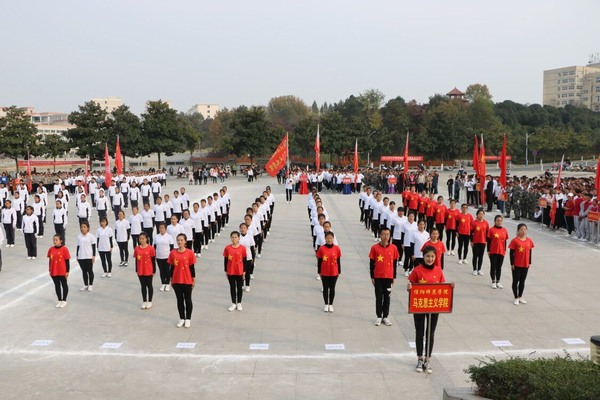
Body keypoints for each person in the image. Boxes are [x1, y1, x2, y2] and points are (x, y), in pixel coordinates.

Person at [407, 246, 451, 374]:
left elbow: (443, 287)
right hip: (420, 306)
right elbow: (411, 286)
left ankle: (428, 359)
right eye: (427, 256)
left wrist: (450, 287)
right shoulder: (417, 270)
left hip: (433, 306)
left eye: (432, 256)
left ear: (435, 257)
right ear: (423, 257)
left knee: (430, 333)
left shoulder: (438, 270)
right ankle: (420, 359)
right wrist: (409, 287)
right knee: (419, 332)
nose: (430, 259)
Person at [369, 227, 399, 326]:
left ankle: (385, 316)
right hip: (378, 277)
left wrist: (394, 277)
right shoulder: (374, 248)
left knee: (387, 297)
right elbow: (371, 263)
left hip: (389, 277)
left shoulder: (394, 248)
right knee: (378, 297)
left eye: (387, 234)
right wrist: (372, 277)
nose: (386, 236)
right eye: (383, 234)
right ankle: (379, 316)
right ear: (380, 235)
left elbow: (394, 264)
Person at [168, 233, 196, 328]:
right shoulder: (173, 253)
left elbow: (192, 267)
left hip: (187, 280)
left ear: (185, 241)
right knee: (179, 300)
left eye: (181, 240)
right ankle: (181, 318)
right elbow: (172, 267)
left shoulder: (190, 253)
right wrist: (171, 279)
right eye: (178, 240)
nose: (179, 242)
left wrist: (193, 279)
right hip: (176, 280)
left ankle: (188, 318)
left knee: (188, 300)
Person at [509, 223, 535, 305]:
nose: (523, 231)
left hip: (525, 264)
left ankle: (520, 296)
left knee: (522, 281)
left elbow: (530, 252)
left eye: (525, 229)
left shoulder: (529, 240)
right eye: (521, 229)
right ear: (518, 231)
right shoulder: (515, 240)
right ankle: (516, 297)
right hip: (517, 264)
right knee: (515, 281)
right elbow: (511, 253)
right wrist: (512, 264)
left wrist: (529, 262)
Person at [316, 231, 341, 312]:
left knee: (332, 289)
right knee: (325, 288)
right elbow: (319, 261)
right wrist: (319, 272)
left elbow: (338, 260)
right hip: (324, 272)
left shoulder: (337, 248)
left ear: (333, 239)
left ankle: (331, 304)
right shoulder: (321, 249)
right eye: (327, 238)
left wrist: (339, 271)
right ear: (325, 239)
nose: (329, 240)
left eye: (331, 238)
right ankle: (326, 304)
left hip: (334, 272)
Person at [223, 231, 247, 312]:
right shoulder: (227, 248)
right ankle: (233, 303)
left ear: (239, 238)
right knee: (232, 287)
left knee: (239, 287)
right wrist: (226, 270)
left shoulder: (242, 248)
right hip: (231, 271)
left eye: (235, 237)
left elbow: (244, 260)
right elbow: (226, 259)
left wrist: (244, 270)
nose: (234, 239)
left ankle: (239, 302)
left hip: (239, 271)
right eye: (232, 237)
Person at [48, 234, 71, 308]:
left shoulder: (64, 249)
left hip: (62, 270)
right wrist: (50, 270)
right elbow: (50, 260)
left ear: (61, 241)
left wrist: (67, 271)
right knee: (57, 285)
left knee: (64, 285)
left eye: (56, 240)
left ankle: (64, 300)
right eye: (54, 240)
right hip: (54, 270)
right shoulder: (51, 249)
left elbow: (67, 261)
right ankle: (59, 300)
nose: (55, 241)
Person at [134, 232, 156, 310]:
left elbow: (153, 260)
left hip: (148, 270)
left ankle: (150, 301)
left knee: (149, 285)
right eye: (140, 239)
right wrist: (136, 269)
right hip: (140, 270)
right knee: (143, 286)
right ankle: (144, 301)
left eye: (143, 239)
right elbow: (136, 260)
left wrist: (154, 270)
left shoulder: (150, 248)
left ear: (146, 239)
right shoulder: (137, 248)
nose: (141, 240)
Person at [487, 215, 509, 289]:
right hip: (493, 251)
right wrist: (488, 251)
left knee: (499, 267)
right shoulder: (491, 230)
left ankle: (498, 281)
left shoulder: (504, 230)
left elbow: (505, 241)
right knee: (493, 266)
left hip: (501, 251)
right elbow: (489, 241)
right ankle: (493, 281)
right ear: (495, 221)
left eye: (500, 221)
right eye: (498, 221)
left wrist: (504, 250)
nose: (499, 222)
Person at [76, 221, 96, 292]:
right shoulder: (79, 236)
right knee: (84, 271)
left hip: (88, 256)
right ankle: (85, 284)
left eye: (84, 227)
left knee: (89, 271)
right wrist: (77, 255)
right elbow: (78, 246)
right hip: (81, 256)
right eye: (82, 227)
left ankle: (90, 284)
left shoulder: (91, 236)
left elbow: (93, 246)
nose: (83, 228)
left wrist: (93, 256)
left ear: (88, 228)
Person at [154, 223, 174, 292]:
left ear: (165, 228)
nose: (161, 229)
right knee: (161, 271)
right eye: (160, 228)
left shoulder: (169, 237)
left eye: (162, 228)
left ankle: (167, 283)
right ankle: (163, 283)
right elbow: (155, 247)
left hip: (167, 256)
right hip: (159, 256)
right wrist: (155, 255)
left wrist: (171, 256)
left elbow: (171, 247)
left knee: (167, 270)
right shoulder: (156, 236)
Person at [470, 208, 489, 276]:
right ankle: (474, 269)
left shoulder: (486, 223)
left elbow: (487, 232)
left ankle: (479, 269)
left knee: (481, 256)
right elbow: (471, 232)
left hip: (483, 242)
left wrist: (486, 241)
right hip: (475, 242)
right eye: (479, 214)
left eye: (482, 214)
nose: (481, 215)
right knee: (475, 256)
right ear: (477, 215)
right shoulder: (474, 222)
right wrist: (471, 241)